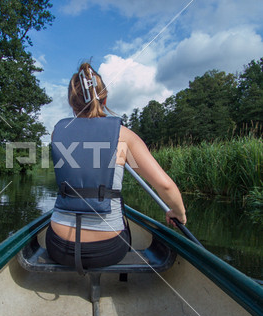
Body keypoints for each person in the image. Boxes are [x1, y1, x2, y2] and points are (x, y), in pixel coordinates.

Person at [46, 62, 187, 273]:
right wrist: (179, 213)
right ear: (104, 98)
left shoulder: (58, 133)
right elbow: (166, 187)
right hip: (108, 249)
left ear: (71, 102)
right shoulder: (124, 136)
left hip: (59, 246)